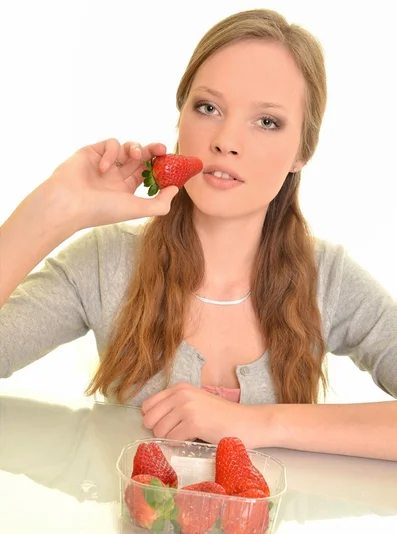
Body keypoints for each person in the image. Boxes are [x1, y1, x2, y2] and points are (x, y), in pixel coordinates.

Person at [1, 9, 396, 460]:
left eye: (267, 121)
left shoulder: (330, 280)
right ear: (181, 118)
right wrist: (53, 209)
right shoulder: (104, 263)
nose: (226, 140)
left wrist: (256, 423)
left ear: (301, 153)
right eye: (208, 108)